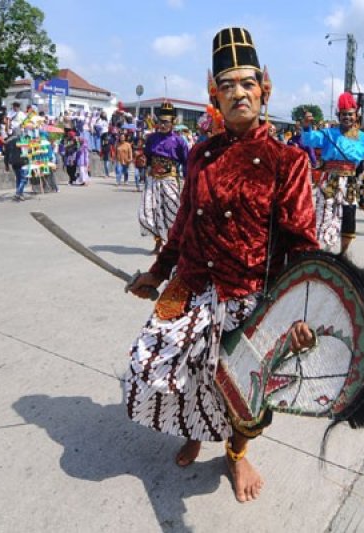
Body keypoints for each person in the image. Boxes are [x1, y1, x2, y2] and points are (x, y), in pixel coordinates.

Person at [127, 27, 318, 503]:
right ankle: (194, 426)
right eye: (227, 85)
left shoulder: (287, 161)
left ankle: (236, 453)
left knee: (246, 393)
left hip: (249, 294)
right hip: (191, 285)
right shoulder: (200, 153)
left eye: (246, 84)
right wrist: (157, 272)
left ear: (264, 89)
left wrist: (303, 312)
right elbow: (181, 227)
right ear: (214, 94)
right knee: (156, 367)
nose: (238, 93)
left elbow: (301, 247)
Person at [302, 92, 364, 255]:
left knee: (349, 217)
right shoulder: (328, 133)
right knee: (325, 214)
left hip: (350, 182)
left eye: (350, 114)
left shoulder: (363, 137)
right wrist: (307, 126)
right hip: (330, 179)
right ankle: (323, 251)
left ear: (356, 115)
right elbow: (308, 140)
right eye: (344, 114)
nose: (347, 117)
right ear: (339, 116)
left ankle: (342, 254)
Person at [138, 101, 189, 254]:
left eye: (166, 122)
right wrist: (142, 160)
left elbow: (187, 161)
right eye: (160, 121)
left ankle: (173, 244)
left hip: (170, 180)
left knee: (172, 213)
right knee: (150, 212)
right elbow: (146, 156)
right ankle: (158, 242)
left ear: (173, 122)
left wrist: (188, 181)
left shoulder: (179, 141)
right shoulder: (152, 138)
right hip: (153, 180)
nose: (162, 124)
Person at [4, 129, 28, 201]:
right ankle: (18, 193)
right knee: (24, 178)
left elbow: (6, 155)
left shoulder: (8, 142)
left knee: (18, 178)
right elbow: (25, 151)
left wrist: (6, 165)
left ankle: (20, 194)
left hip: (13, 162)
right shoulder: (22, 140)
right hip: (22, 161)